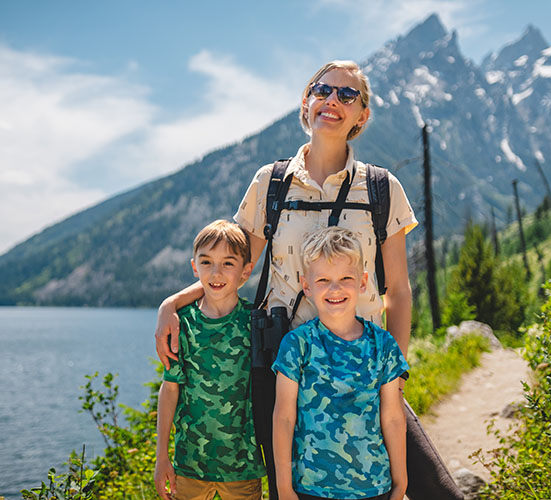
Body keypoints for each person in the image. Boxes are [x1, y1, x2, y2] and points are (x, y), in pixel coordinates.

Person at [155, 60, 464, 500]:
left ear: (363, 115)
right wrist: (173, 303)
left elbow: (398, 289)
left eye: (347, 95)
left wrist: (393, 371)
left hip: (359, 361)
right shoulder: (272, 183)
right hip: (285, 366)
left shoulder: (380, 188)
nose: (332, 101)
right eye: (323, 90)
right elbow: (235, 268)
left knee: (430, 486)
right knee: (290, 488)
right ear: (306, 102)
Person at [273, 227, 408, 500]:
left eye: (345, 278)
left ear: (362, 282)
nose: (335, 289)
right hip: (310, 488)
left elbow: (393, 417)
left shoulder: (383, 345)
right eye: (323, 279)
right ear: (306, 285)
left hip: (374, 487)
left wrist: (400, 482)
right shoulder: (297, 344)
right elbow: (284, 417)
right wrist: (283, 488)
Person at [153, 220, 266, 500]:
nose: (216, 273)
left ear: (246, 271)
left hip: (243, 468)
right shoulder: (182, 325)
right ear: (195, 267)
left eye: (228, 263)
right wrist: (161, 456)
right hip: (189, 466)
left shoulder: (255, 324)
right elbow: (170, 389)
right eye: (206, 262)